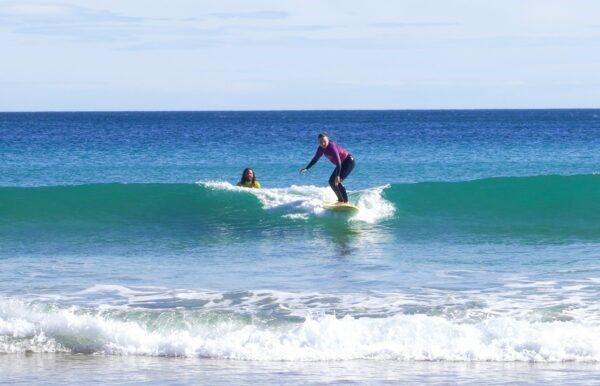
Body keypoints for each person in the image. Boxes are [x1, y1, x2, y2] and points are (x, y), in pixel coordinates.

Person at [300, 132, 355, 203]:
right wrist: (307, 168)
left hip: (348, 161)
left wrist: (338, 175)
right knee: (331, 182)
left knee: (338, 181)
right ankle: (340, 200)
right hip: (340, 164)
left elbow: (338, 161)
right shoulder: (320, 149)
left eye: (324, 141)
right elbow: (315, 159)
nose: (323, 143)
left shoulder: (332, 147)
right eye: (320, 142)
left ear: (328, 140)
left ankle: (346, 202)